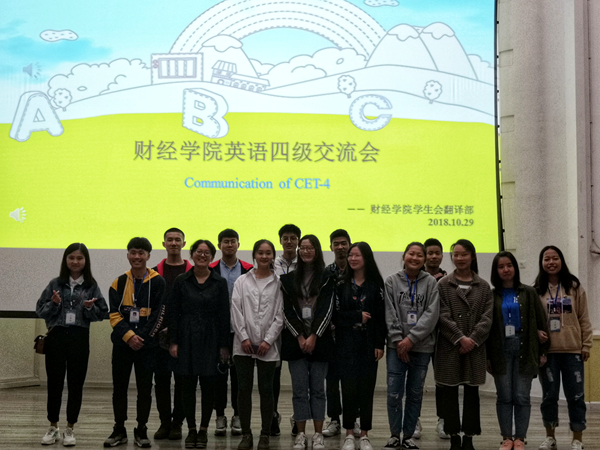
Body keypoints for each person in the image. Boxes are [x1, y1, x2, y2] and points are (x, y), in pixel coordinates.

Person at [36, 243, 108, 447]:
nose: (75, 262)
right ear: (65, 260)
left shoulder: (91, 285)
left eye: (79, 258)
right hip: (57, 337)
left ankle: (70, 428)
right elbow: (40, 310)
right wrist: (54, 303)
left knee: (76, 384)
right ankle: (53, 426)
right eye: (71, 258)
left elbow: (102, 313)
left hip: (79, 337)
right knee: (54, 383)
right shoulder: (55, 283)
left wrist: (89, 309)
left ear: (86, 261)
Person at [104, 237, 166, 448]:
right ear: (128, 255)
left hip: (147, 347)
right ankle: (119, 429)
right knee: (119, 388)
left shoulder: (158, 282)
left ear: (148, 256)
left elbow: (159, 315)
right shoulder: (119, 282)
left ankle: (141, 429)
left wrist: (143, 338)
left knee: (144, 389)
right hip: (123, 345)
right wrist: (130, 336)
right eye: (133, 252)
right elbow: (114, 314)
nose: (137, 257)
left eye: (141, 253)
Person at [169, 239, 230, 449]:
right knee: (186, 386)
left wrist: (224, 345)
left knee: (208, 386)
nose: (202, 255)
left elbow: (224, 315)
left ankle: (203, 429)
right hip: (186, 337)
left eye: (207, 253)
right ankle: (191, 429)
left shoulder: (219, 282)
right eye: (198, 251)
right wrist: (173, 342)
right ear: (192, 254)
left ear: (212, 256)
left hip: (211, 338)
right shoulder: (181, 280)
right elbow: (173, 313)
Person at [434, 239, 493, 450]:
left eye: (464, 254)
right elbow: (442, 315)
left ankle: (469, 438)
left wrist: (472, 339)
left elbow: (487, 318)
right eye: (456, 255)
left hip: (474, 349)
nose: (459, 258)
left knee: (472, 394)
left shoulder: (483, 286)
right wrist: (460, 338)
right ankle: (453, 437)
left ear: (472, 256)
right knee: (449, 394)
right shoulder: (443, 285)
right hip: (450, 347)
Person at [487, 251, 549, 450]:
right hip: (500, 350)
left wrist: (543, 351)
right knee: (504, 396)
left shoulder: (528, 292)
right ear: (496, 271)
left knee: (522, 396)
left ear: (515, 268)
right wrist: (487, 357)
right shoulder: (492, 295)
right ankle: (507, 437)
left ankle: (520, 438)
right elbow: (488, 328)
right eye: (501, 267)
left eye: (509, 265)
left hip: (525, 348)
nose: (506, 270)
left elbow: (540, 322)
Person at [534, 246, 592, 450]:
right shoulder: (537, 289)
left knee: (576, 397)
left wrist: (586, 344)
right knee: (549, 397)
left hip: (573, 351)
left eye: (555, 258)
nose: (551, 262)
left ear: (561, 260)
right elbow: (532, 320)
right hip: (548, 353)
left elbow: (584, 317)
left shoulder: (574, 286)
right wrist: (536, 332)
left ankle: (577, 439)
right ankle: (550, 437)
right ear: (542, 262)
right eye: (546, 259)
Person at [383, 242, 440, 450]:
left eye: (419, 255)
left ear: (424, 259)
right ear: (404, 256)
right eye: (411, 254)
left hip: (422, 347)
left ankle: (408, 435)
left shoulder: (431, 282)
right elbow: (389, 312)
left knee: (415, 394)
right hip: (395, 347)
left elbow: (432, 314)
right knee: (394, 393)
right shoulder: (391, 281)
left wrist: (411, 340)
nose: (414, 258)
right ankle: (394, 435)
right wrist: (399, 340)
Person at [280, 234, 335, 450]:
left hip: (320, 341)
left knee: (318, 390)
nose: (306, 251)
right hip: (296, 342)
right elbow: (286, 312)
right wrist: (301, 337)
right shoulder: (288, 279)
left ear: (317, 250)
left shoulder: (327, 277)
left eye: (310, 247)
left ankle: (318, 434)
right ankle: (301, 434)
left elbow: (327, 310)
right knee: (299, 390)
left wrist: (314, 336)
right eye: (302, 248)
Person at [231, 239, 284, 450]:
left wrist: (268, 340)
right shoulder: (242, 281)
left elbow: (280, 315)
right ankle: (246, 434)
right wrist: (244, 338)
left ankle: (265, 434)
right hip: (242, 346)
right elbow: (236, 310)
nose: (264, 256)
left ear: (273, 256)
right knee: (243, 389)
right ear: (254, 255)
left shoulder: (278, 283)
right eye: (260, 252)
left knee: (266, 390)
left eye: (268, 253)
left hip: (268, 347)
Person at [335, 242, 386, 450]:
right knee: (348, 388)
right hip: (346, 343)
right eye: (350, 255)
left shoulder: (376, 285)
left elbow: (381, 317)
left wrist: (379, 343)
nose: (352, 259)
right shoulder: (341, 284)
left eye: (357, 255)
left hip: (369, 344)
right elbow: (336, 316)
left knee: (366, 389)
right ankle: (348, 433)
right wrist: (357, 316)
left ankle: (364, 434)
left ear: (366, 258)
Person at [209, 229, 253, 437]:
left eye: (232, 241)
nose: (229, 245)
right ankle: (220, 416)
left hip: (241, 331)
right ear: (219, 245)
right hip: (216, 331)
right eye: (225, 241)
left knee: (239, 377)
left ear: (238, 244)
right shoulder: (210, 269)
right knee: (218, 377)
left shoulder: (248, 270)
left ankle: (237, 415)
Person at [152, 227, 193, 441]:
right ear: (164, 244)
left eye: (178, 240)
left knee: (183, 382)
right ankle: (164, 423)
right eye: (170, 240)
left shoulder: (193, 272)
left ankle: (177, 423)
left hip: (184, 337)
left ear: (184, 244)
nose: (174, 243)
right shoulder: (153, 272)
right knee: (161, 381)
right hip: (158, 338)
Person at [273, 223, 301, 435]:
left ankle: (297, 417)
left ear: (298, 241)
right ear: (280, 241)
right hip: (274, 325)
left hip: (298, 325)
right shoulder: (271, 264)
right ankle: (273, 416)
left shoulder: (306, 263)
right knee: (274, 374)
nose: (289, 241)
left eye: (293, 238)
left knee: (298, 375)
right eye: (285, 238)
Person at [323, 229, 351, 438]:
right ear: (331, 247)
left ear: (349, 244)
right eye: (336, 243)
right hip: (330, 336)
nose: (340, 247)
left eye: (344, 243)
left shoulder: (357, 270)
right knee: (332, 380)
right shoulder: (326, 272)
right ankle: (334, 419)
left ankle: (353, 419)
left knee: (352, 380)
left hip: (352, 335)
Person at [424, 237, 448, 440]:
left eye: (437, 253)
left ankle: (443, 419)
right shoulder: (414, 278)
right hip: (420, 338)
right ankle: (414, 420)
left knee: (443, 381)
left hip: (442, 339)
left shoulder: (448, 280)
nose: (433, 256)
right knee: (415, 381)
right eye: (429, 253)